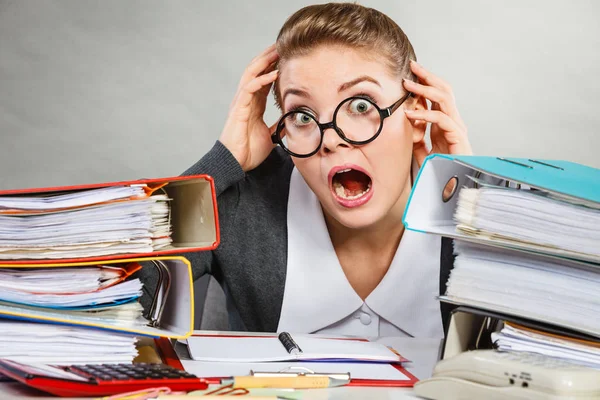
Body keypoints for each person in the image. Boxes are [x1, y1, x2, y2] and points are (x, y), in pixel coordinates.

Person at [155, 2, 471, 337]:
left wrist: (471, 203)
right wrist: (224, 160)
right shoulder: (243, 201)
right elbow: (113, 289)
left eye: (361, 105)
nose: (331, 139)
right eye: (303, 116)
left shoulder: (461, 210)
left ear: (417, 113)